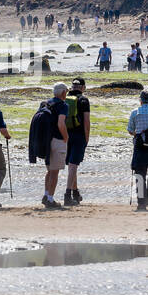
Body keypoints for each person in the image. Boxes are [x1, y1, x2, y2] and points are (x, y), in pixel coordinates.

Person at [41, 82, 69, 209]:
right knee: (55, 172)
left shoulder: (45, 103)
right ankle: (50, 199)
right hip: (57, 140)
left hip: (45, 140)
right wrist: (66, 137)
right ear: (63, 93)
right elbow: (61, 123)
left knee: (49, 171)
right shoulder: (63, 105)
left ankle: (46, 195)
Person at [64, 78, 90, 207]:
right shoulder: (83, 100)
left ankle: (75, 192)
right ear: (83, 87)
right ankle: (67, 194)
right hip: (79, 135)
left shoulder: (65, 98)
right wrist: (87, 138)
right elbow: (86, 121)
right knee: (73, 165)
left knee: (71, 165)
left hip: (65, 135)